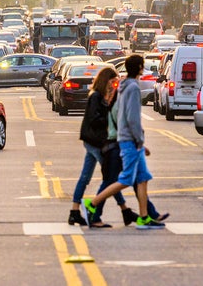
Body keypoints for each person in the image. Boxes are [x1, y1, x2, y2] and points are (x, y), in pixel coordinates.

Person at [82, 54, 164, 229]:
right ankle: (93, 203)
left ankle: (144, 217)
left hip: (127, 139)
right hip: (130, 140)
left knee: (142, 178)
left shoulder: (123, 86)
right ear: (141, 68)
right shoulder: (133, 88)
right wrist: (139, 139)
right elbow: (133, 117)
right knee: (126, 179)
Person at [69, 67, 132, 227]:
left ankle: (74, 211)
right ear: (106, 80)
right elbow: (95, 118)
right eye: (112, 81)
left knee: (86, 177)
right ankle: (115, 211)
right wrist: (109, 118)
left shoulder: (101, 96)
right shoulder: (96, 96)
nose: (114, 84)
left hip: (93, 141)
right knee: (110, 179)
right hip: (96, 141)